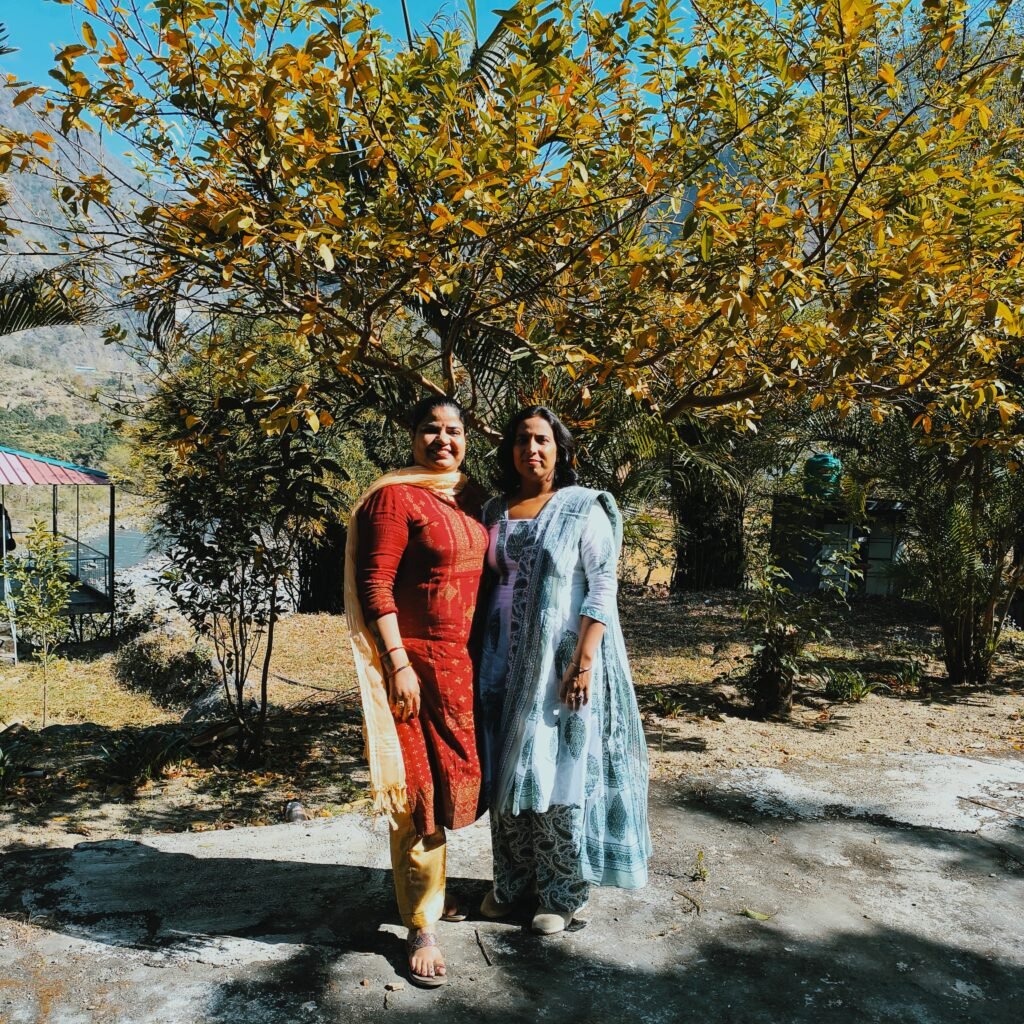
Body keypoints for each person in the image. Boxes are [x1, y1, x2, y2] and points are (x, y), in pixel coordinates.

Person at [477, 406, 651, 934]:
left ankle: (562, 892)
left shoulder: (581, 507)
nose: (531, 449)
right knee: (507, 768)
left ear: (561, 450)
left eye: (542, 440)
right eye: (522, 439)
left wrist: (583, 663)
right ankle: (513, 884)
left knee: (557, 769)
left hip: (561, 660)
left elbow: (603, 586)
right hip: (501, 660)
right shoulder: (493, 510)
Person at [346, 396, 488, 987]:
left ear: (466, 438)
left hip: (467, 667)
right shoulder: (394, 497)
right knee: (418, 791)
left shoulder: (471, 497)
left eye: (453, 430)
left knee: (454, 786)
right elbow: (375, 584)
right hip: (415, 668)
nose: (442, 440)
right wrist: (397, 662)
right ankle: (421, 924)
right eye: (430, 429)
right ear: (412, 436)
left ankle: (434, 890)